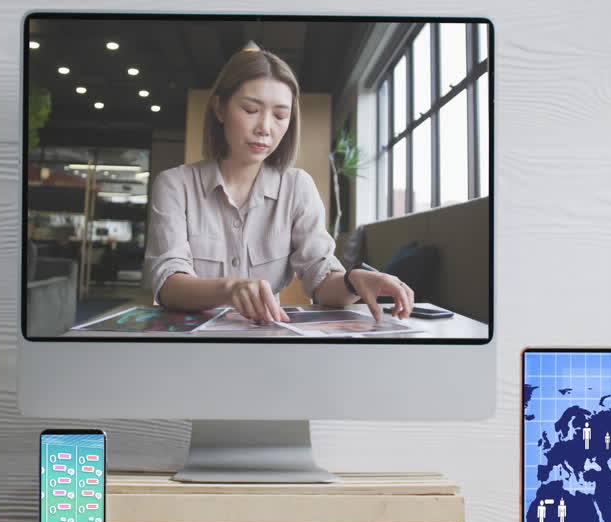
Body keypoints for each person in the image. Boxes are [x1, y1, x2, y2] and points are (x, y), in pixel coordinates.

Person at [144, 44, 414, 323]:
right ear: (220, 109)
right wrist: (231, 288)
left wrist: (354, 280)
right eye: (251, 110)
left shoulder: (297, 187)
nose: (265, 127)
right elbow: (168, 284)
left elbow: (320, 278)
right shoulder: (176, 185)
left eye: (280, 116)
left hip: (267, 340)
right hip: (192, 345)